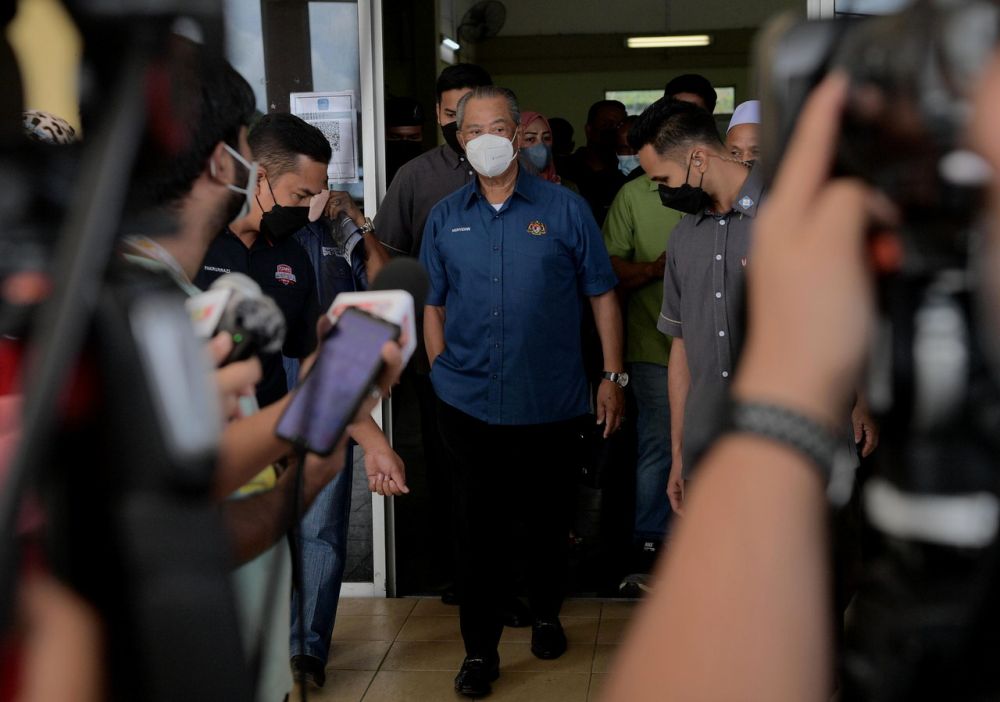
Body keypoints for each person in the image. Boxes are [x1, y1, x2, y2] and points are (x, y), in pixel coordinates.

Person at [603, 70, 907, 702]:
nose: (659, 192)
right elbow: (680, 349)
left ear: (698, 157)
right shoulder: (685, 238)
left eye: (662, 179)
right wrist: (681, 448)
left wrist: (858, 403)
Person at [420, 86, 625, 697]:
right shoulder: (444, 216)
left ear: (517, 133)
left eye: (500, 127)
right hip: (468, 403)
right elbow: (431, 303)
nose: (488, 138)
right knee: (475, 532)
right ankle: (479, 653)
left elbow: (602, 293)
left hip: (553, 401)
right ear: (460, 140)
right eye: (474, 129)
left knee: (546, 522)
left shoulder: (565, 209)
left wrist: (611, 376)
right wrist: (438, 369)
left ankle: (544, 614)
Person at [371, 62, 497, 609]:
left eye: (471, 111)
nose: (462, 124)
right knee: (450, 469)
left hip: (509, 351)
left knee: (508, 470)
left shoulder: (523, 173)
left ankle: (509, 579)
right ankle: (457, 574)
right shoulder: (418, 178)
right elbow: (387, 260)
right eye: (451, 115)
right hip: (439, 353)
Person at [284, 191, 407, 691]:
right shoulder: (258, 240)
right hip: (262, 406)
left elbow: (382, 292)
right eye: (304, 185)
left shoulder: (341, 238)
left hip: (331, 413)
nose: (317, 194)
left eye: (322, 182)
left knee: (320, 529)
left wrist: (358, 223)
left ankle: (306, 651)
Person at [194, 112, 326, 409]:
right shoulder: (193, 245)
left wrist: (372, 442)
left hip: (267, 437)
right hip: (201, 435)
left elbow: (310, 356)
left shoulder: (295, 258)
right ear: (259, 178)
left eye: (313, 198)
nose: (307, 210)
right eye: (300, 196)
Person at [602, 114, 684, 587]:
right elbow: (609, 269)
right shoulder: (634, 195)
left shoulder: (726, 198)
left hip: (721, 353)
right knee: (658, 440)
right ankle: (653, 543)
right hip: (653, 343)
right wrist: (655, 271)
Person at [567, 99, 628, 226]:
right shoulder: (566, 169)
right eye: (606, 124)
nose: (613, 131)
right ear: (589, 130)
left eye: (619, 126)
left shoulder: (627, 172)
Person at [385, 96, 426, 185]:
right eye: (396, 137)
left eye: (413, 138)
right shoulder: (372, 167)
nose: (405, 143)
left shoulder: (431, 168)